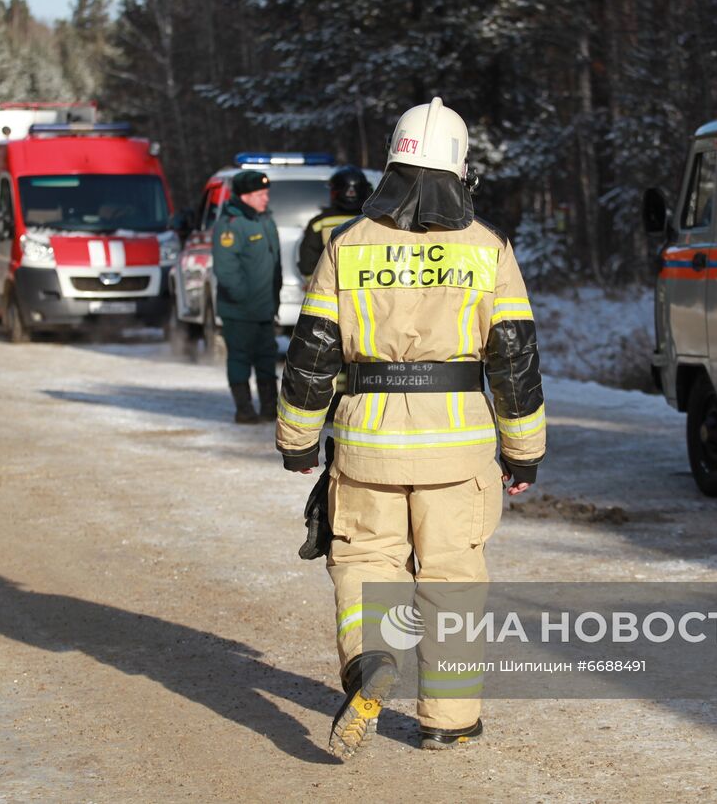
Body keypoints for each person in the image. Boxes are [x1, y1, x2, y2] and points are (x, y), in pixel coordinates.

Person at [275, 97, 547, 758]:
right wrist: (524, 451)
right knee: (452, 576)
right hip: (458, 449)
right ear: (460, 171)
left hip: (369, 443)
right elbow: (512, 354)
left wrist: (297, 438)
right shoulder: (487, 249)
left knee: (367, 563)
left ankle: (372, 661)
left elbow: (313, 349)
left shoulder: (348, 246)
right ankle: (447, 720)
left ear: (392, 162)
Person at [212, 169, 282, 424]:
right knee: (240, 359)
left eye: (266, 193)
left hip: (265, 308)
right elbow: (226, 270)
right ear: (245, 196)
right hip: (240, 311)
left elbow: (274, 263)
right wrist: (244, 299)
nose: (266, 198)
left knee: (267, 359)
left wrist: (274, 298)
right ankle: (244, 409)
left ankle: (268, 407)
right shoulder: (231, 225)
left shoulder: (264, 220)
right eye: (260, 194)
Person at [298, 165, 373, 278]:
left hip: (329, 292)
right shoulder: (375, 221)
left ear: (335, 192)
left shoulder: (319, 224)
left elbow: (307, 264)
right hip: (368, 291)